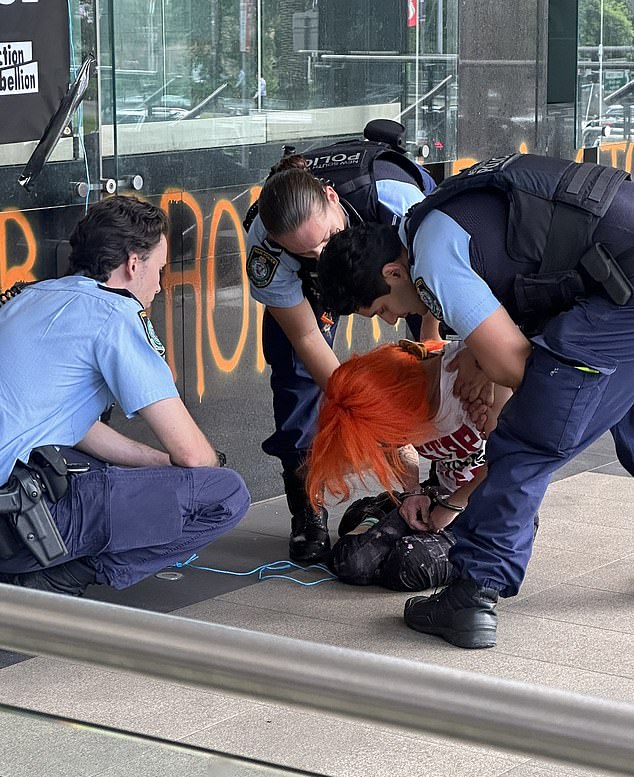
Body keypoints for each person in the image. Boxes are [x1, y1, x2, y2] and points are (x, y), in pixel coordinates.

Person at [315, 152, 634, 648]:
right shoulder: (428, 220)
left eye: (381, 309)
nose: (392, 321)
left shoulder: (432, 261)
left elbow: (517, 369)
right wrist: (475, 353)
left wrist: (485, 363)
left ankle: (471, 597)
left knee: (527, 442)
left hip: (623, 291)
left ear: (394, 274)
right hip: (619, 278)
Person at [0, 195, 250, 596]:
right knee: (225, 493)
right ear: (134, 264)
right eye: (160, 269)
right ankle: (51, 581)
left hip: (11, 501)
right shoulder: (116, 314)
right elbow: (193, 457)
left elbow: (74, 430)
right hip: (14, 524)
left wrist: (155, 464)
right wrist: (202, 467)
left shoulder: (32, 297)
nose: (160, 285)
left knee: (98, 468)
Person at [244, 120, 437, 564]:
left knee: (439, 362)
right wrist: (372, 415)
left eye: (327, 240)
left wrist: (430, 350)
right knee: (294, 374)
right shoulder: (267, 249)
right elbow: (308, 339)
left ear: (332, 198)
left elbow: (436, 291)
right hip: (313, 295)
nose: (321, 255)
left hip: (411, 264)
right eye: (306, 253)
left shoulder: (394, 198)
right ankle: (307, 505)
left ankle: (441, 482)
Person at [306, 339, 510, 591]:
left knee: (409, 565)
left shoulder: (478, 382)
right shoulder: (399, 396)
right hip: (439, 494)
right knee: (350, 559)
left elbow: (508, 464)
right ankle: (393, 532)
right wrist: (413, 492)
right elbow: (394, 444)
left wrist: (453, 505)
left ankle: (400, 541)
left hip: (492, 508)